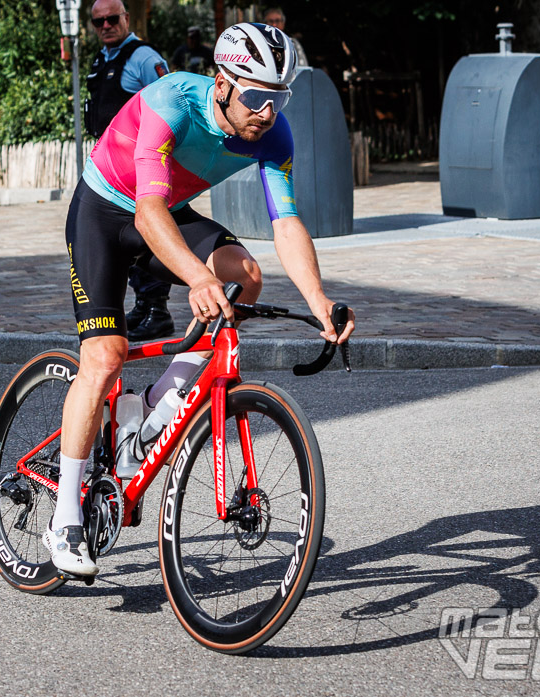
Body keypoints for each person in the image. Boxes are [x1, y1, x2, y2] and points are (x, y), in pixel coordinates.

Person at [44, 23, 356, 576]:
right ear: (222, 84)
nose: (266, 112)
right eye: (256, 96)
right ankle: (65, 515)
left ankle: (160, 404)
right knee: (106, 355)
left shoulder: (273, 136)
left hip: (165, 211)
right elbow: (146, 213)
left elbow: (286, 223)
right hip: (107, 211)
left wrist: (318, 299)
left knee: (247, 275)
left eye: (278, 98)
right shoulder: (171, 103)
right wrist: (196, 278)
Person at [85, 0, 175, 343]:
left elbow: (166, 101)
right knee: (121, 235)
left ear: (126, 18)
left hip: (140, 161)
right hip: (111, 164)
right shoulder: (102, 59)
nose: (106, 26)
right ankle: (144, 305)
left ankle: (157, 310)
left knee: (145, 230)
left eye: (111, 19)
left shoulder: (143, 57)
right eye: (98, 22)